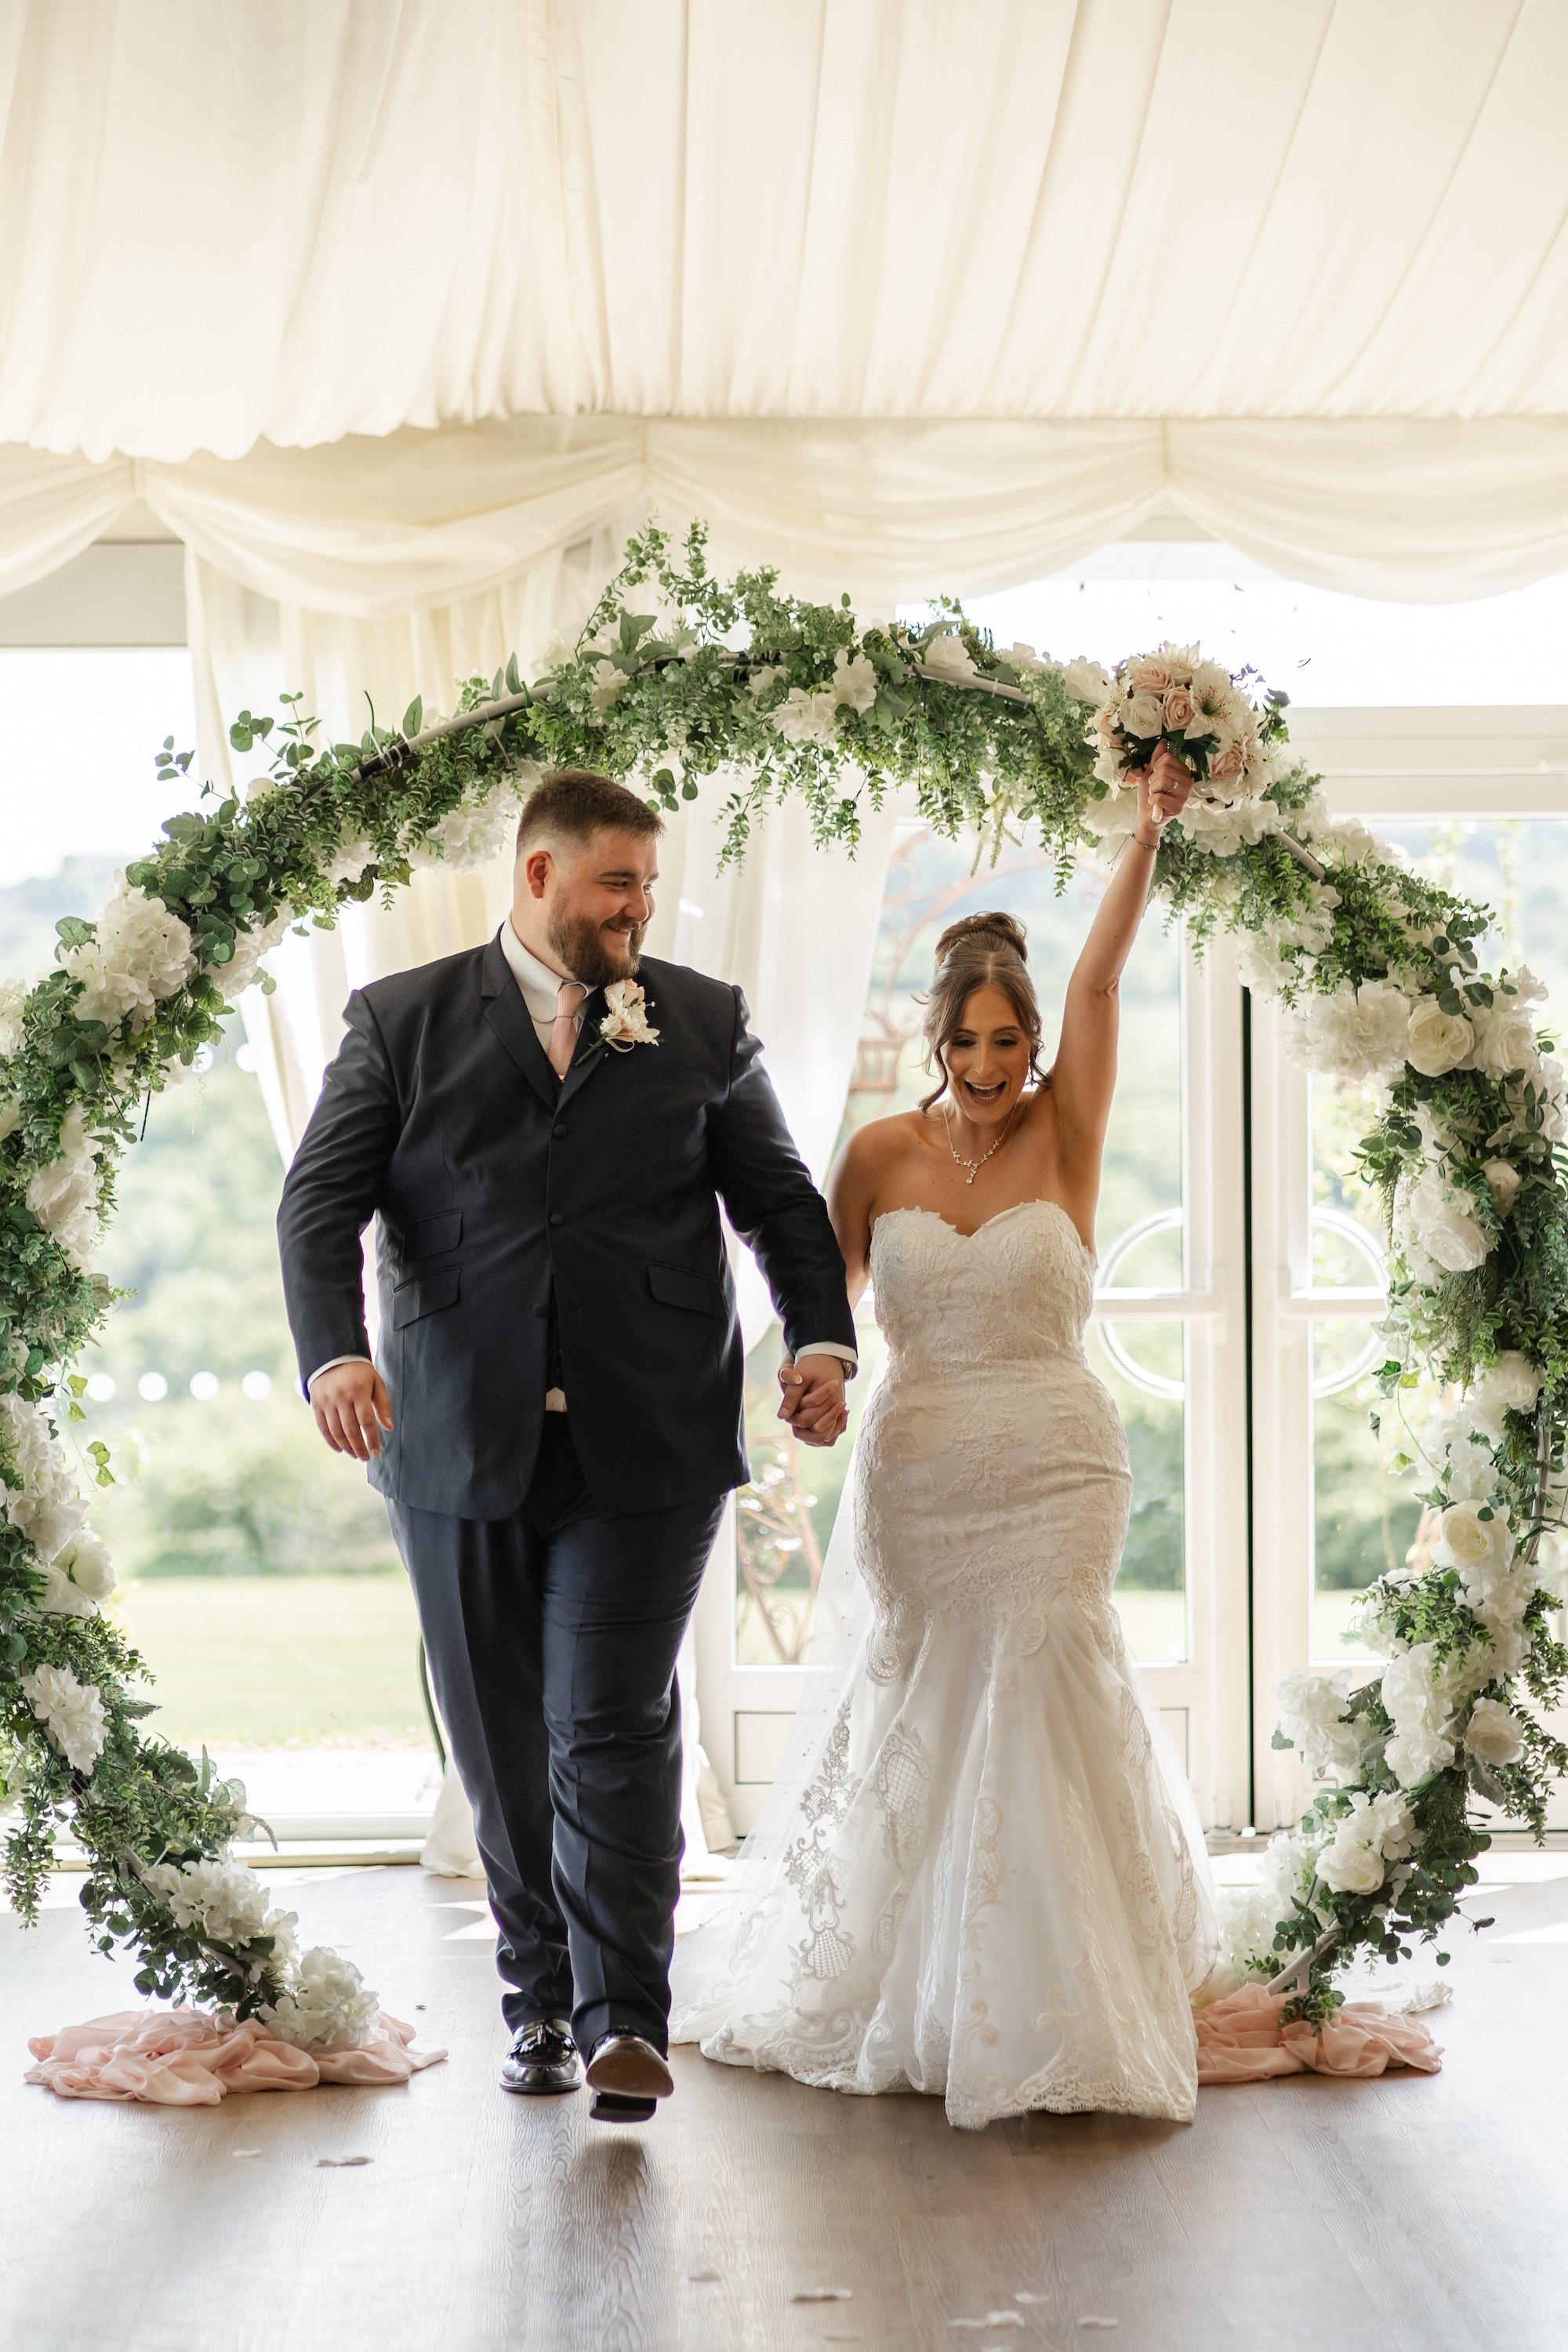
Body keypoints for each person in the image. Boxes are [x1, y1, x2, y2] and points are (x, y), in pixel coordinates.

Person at [277, 768, 856, 2123]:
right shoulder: (402, 1021)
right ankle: (537, 2000)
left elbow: (779, 1201)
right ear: (539, 877)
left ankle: (623, 2025)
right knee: (495, 1737)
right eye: (618, 884)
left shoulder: (699, 1019)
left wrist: (820, 1339)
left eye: (649, 886)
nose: (640, 909)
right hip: (450, 1439)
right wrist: (337, 1353)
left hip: (645, 1439)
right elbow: (319, 1211)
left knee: (607, 1719)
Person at [670, 743, 1219, 2128]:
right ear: (937, 1041)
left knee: (1043, 1680)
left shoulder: (1067, 1132)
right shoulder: (875, 1159)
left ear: (1036, 1043)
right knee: (929, 1694)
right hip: (920, 1467)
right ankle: (913, 1984)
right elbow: (824, 1306)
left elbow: (1100, 979)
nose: (986, 1065)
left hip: (1054, 1456)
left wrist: (1144, 836)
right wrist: (816, 1379)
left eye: (1009, 1041)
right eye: (966, 1042)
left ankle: (1063, 1995)